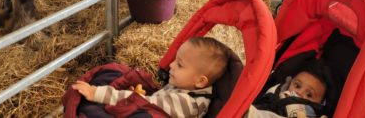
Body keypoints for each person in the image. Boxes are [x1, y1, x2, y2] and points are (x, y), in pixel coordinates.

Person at [71, 37, 230, 118]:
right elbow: (154, 100)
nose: (172, 66)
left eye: (180, 65)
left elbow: (143, 103)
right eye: (175, 60)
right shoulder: (187, 84)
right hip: (154, 104)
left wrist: (95, 93)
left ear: (200, 81)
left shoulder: (188, 103)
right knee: (115, 71)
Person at [246, 59, 333, 118]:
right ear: (289, 83)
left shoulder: (306, 114)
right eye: (297, 86)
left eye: (309, 94)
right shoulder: (273, 93)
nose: (299, 93)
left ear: (321, 104)